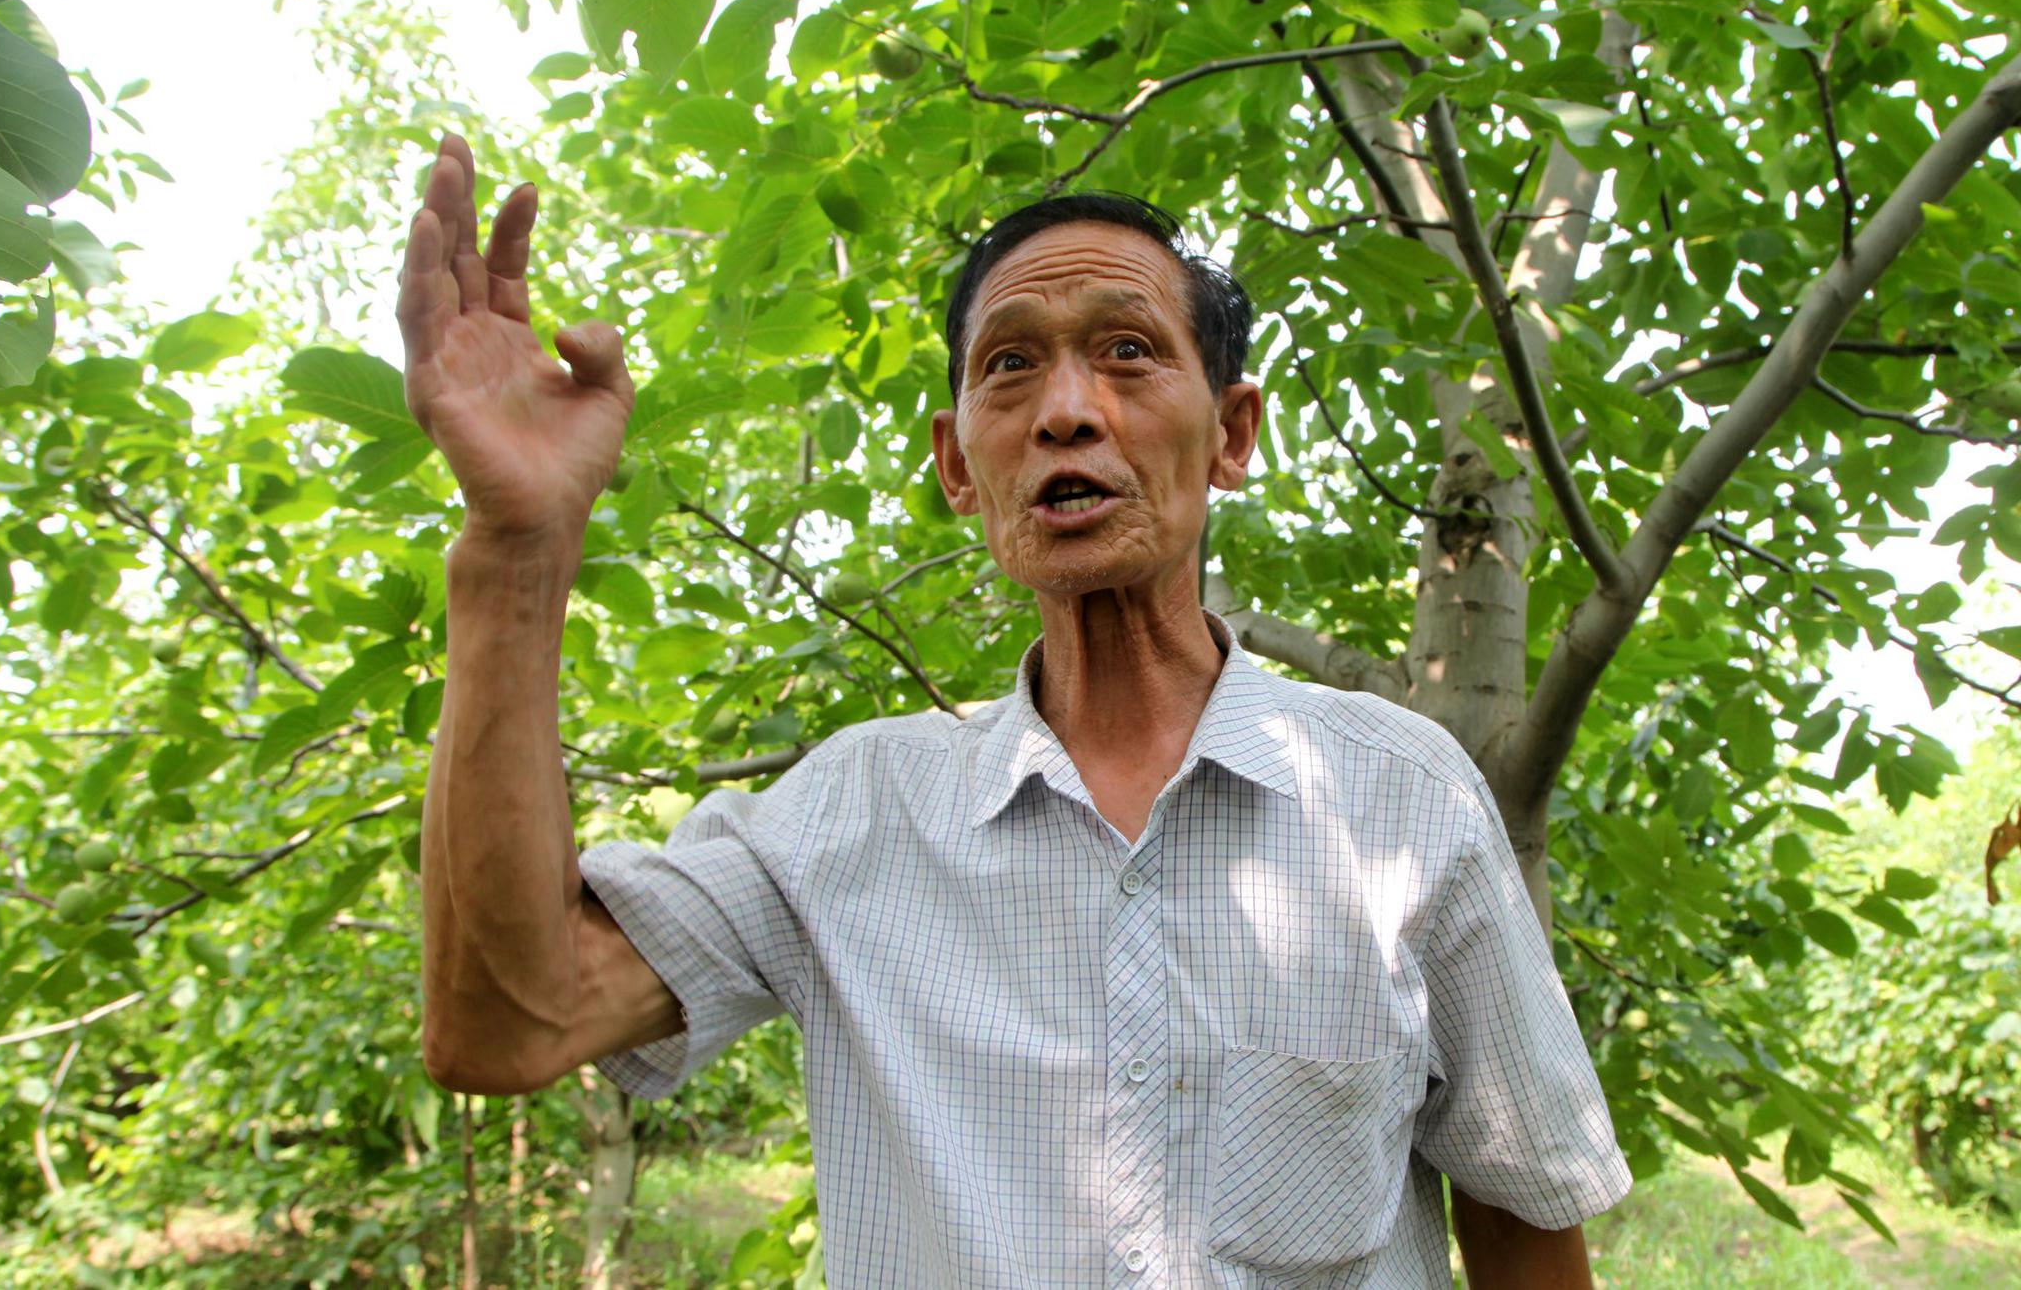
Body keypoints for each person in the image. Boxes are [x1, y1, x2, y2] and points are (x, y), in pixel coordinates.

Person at [401, 131, 1633, 1288]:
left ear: (1231, 433)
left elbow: (1524, 1219)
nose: (1065, 411)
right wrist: (517, 551)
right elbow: (502, 1028)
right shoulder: (847, 813)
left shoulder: (1398, 797)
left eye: (1128, 351)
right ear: (957, 464)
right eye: (1009, 365)